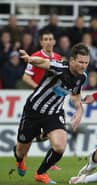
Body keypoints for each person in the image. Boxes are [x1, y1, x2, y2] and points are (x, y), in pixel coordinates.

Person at [14, 43, 89, 184]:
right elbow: (43, 62)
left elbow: (75, 96)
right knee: (20, 150)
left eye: (86, 62)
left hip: (54, 113)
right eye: (80, 62)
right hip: (33, 110)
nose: (83, 65)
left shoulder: (82, 77)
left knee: (60, 147)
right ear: (72, 60)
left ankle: (40, 173)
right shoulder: (60, 67)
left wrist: (79, 110)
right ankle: (20, 160)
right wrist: (30, 59)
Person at [22, 30, 62, 171]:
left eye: (51, 38)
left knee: (53, 130)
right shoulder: (35, 57)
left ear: (54, 41)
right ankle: (23, 156)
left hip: (53, 101)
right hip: (37, 102)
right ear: (41, 42)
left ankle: (50, 162)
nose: (48, 41)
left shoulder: (58, 57)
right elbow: (26, 77)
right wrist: (38, 89)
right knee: (32, 132)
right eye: (45, 39)